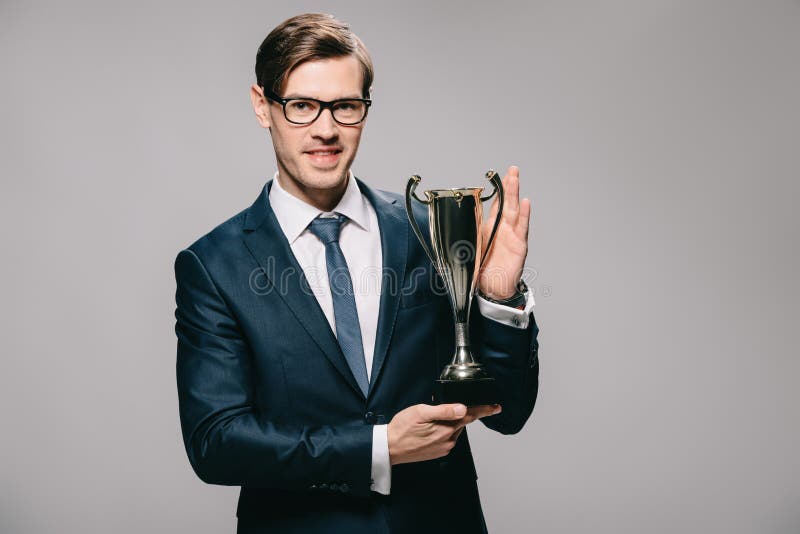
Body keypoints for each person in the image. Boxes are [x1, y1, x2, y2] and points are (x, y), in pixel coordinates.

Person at [174, 13, 540, 534]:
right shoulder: (213, 266)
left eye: (345, 106)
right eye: (301, 106)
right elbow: (217, 443)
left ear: (365, 108)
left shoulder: (427, 229)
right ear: (263, 106)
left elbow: (508, 413)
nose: (326, 129)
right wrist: (379, 448)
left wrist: (496, 299)